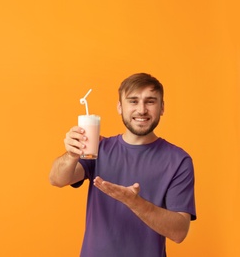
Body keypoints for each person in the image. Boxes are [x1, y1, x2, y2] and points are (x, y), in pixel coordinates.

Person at [49, 73, 197, 257]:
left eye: (150, 101)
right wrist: (71, 155)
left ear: (162, 107)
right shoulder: (97, 147)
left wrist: (134, 202)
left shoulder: (178, 160)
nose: (141, 110)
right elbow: (56, 179)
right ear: (120, 107)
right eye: (133, 101)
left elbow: (179, 232)